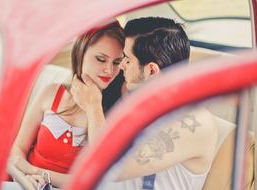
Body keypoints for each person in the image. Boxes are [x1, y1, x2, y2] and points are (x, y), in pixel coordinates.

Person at [71, 17, 218, 190]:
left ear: (151, 71)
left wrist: (92, 106)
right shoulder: (143, 99)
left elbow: (105, 166)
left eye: (127, 58)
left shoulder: (196, 122)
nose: (122, 65)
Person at [7, 21, 125, 189]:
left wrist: (94, 106)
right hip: (22, 182)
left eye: (116, 62)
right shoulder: (51, 93)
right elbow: (18, 149)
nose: (109, 70)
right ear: (80, 54)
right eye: (101, 59)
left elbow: (94, 177)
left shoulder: (114, 112)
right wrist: (26, 176)